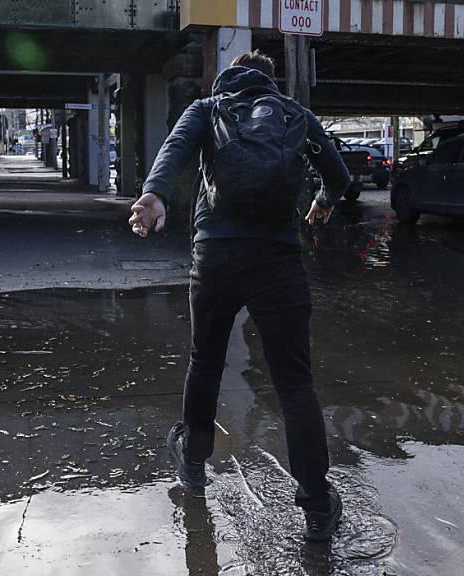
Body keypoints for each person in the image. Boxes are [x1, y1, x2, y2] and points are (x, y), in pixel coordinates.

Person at [128, 50, 350, 542]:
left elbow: (177, 149)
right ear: (271, 82)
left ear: (231, 75)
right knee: (295, 385)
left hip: (216, 256)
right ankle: (316, 505)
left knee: (205, 363)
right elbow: (338, 175)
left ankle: (193, 465)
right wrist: (322, 203)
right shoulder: (295, 116)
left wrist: (155, 194)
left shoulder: (210, 108)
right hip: (277, 257)